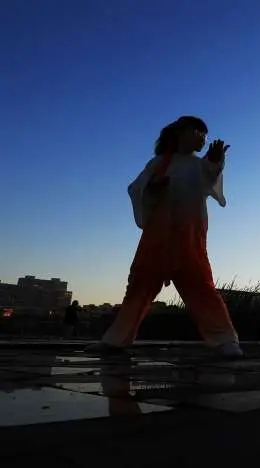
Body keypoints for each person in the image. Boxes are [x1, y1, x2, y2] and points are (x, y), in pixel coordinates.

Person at [86, 116, 243, 358]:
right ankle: (115, 340)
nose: (203, 138)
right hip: (157, 237)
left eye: (204, 135)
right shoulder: (157, 163)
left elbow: (209, 179)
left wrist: (215, 163)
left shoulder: (199, 165)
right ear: (180, 132)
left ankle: (225, 341)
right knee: (138, 287)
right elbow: (135, 189)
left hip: (188, 236)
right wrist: (151, 188)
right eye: (197, 132)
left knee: (202, 288)